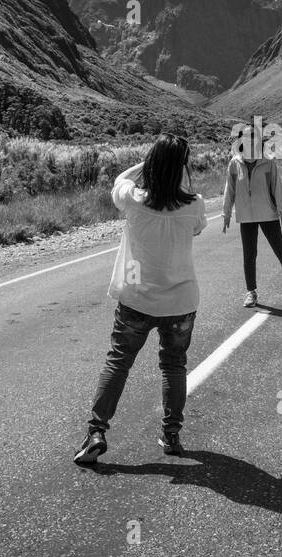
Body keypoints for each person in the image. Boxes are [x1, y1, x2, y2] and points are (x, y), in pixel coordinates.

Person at [74, 134, 207, 465]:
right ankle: (172, 435)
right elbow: (196, 230)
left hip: (136, 298)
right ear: (181, 167)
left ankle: (96, 431)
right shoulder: (195, 205)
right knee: (174, 365)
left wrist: (147, 164)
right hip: (180, 301)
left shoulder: (132, 199)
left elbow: (119, 181)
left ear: (151, 164)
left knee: (119, 361)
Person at [222, 136, 282, 311]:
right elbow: (229, 189)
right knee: (249, 255)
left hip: (268, 214)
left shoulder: (268, 162)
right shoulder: (234, 164)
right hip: (246, 216)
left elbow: (277, 186)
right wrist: (226, 213)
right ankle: (251, 292)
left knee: (280, 250)